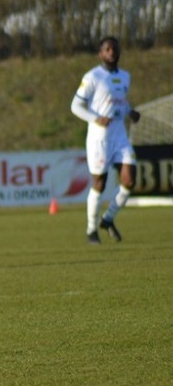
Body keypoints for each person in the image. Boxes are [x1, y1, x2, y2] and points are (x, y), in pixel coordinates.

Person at [70, 36, 141, 245]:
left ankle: (107, 218)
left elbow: (118, 102)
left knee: (129, 180)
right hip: (99, 138)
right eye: (107, 49)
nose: (111, 52)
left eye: (114, 49)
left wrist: (129, 111)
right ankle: (91, 230)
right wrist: (95, 118)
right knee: (99, 183)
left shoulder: (125, 77)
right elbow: (75, 106)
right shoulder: (92, 76)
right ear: (101, 54)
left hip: (120, 135)